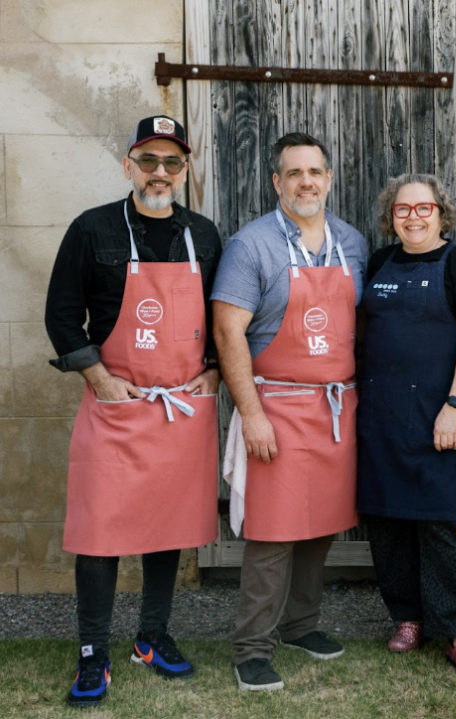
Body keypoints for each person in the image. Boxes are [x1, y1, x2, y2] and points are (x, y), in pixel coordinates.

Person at [44, 116, 222, 707]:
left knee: (166, 525)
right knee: (99, 531)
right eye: (149, 160)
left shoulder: (203, 235)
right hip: (115, 404)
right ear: (129, 166)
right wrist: (99, 378)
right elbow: (61, 315)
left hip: (179, 408)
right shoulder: (92, 229)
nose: (159, 172)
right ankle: (93, 651)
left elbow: (223, 318)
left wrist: (214, 371)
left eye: (172, 162)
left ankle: (152, 636)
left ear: (185, 170)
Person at [212, 132, 367, 692]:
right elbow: (227, 332)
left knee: (321, 526)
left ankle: (301, 625)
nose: (306, 182)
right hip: (275, 406)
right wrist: (251, 414)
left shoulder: (352, 242)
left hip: (335, 408)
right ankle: (252, 648)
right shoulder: (250, 245)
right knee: (273, 534)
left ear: (329, 179)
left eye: (315, 172)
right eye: (294, 173)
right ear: (277, 182)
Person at [357, 174, 456, 677]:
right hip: (382, 415)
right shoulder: (378, 263)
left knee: (445, 523)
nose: (413, 217)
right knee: (387, 523)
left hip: (439, 415)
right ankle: (407, 618)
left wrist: (454, 404)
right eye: (402, 209)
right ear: (390, 216)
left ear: (440, 212)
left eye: (423, 208)